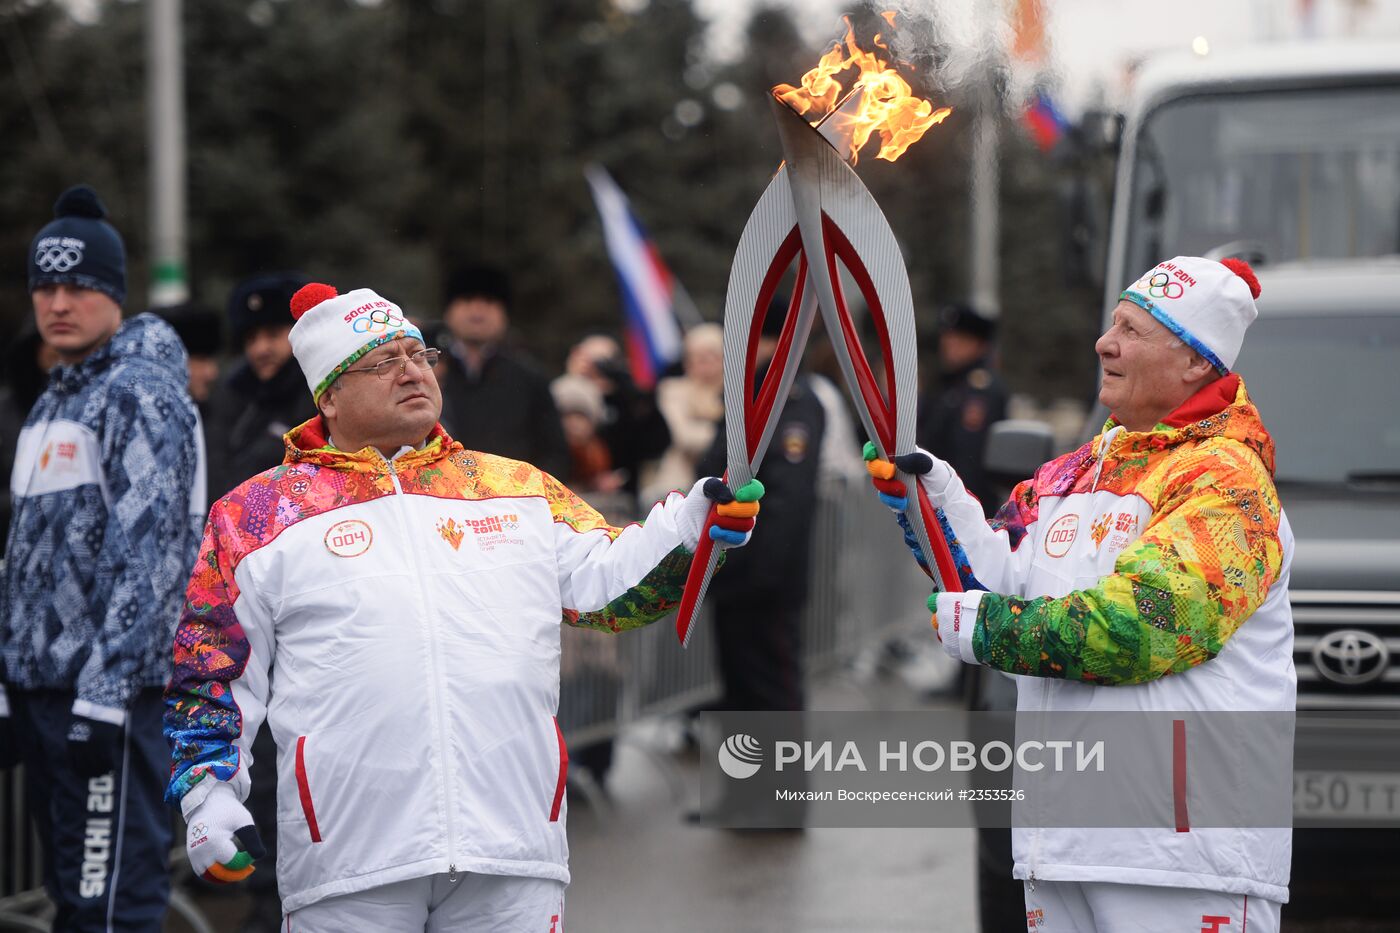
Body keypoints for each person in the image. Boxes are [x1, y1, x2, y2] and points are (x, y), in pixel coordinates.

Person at [163, 282, 763, 929]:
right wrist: (209, 795)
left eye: (418, 354)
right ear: (329, 394)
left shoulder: (514, 488)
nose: (411, 370)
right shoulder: (256, 515)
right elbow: (209, 668)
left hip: (509, 845)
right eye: (383, 360)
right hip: (349, 858)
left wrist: (690, 527)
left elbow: (608, 585)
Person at [869, 257, 1292, 932]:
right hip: (1061, 843)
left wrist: (989, 629)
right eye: (1112, 322)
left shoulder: (1226, 483)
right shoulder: (1077, 469)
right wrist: (934, 499)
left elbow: (1144, 624)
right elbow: (995, 578)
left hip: (1180, 857)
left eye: (1132, 329)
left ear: (1193, 363)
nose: (1105, 341)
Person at [0, 184, 204, 931]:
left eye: (78, 285)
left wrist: (105, 692)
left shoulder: (137, 392)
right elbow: (25, 557)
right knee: (72, 902)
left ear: (112, 291)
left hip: (105, 701)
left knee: (111, 904)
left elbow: (150, 555)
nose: (58, 302)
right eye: (45, 286)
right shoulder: (55, 400)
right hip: (43, 691)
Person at [434, 263, 569, 478]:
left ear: (504, 314)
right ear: (449, 311)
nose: (477, 312)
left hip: (515, 500)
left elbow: (554, 452)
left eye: (489, 302)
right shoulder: (429, 374)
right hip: (441, 495)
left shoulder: (530, 378)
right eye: (467, 301)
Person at [204, 272, 315, 500]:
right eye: (251, 338)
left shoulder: (320, 397)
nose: (260, 349)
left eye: (273, 335)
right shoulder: (231, 393)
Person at [917, 303, 1007, 515]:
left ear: (979, 344)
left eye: (960, 339)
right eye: (947, 338)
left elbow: (970, 458)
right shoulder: (947, 386)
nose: (950, 345)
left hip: (963, 507)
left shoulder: (982, 390)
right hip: (939, 500)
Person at [563, 332, 672, 504]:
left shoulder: (626, 401)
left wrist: (626, 388)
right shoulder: (564, 396)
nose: (597, 369)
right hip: (573, 495)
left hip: (623, 498)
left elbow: (657, 443)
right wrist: (575, 382)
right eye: (591, 361)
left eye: (605, 362)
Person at [645, 323, 724, 504]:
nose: (704, 363)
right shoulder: (673, 390)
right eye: (697, 357)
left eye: (711, 356)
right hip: (680, 486)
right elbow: (685, 436)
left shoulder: (736, 393)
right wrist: (724, 435)